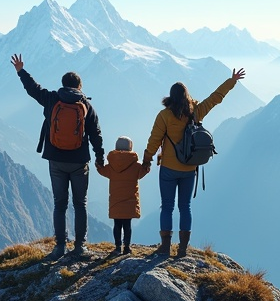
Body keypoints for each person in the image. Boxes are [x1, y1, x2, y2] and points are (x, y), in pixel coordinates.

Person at [142, 68, 246, 257]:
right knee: (185, 207)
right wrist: (232, 81)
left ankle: (165, 247)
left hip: (168, 169)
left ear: (170, 97)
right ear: (187, 96)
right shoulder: (196, 112)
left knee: (167, 206)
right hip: (189, 168)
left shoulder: (164, 116)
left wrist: (147, 160)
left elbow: (154, 140)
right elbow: (216, 98)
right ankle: (182, 249)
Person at [11, 53, 105, 259]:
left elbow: (33, 89)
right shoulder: (87, 106)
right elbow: (96, 134)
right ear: (80, 86)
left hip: (56, 159)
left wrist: (21, 71)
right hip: (80, 161)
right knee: (80, 204)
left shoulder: (52, 99)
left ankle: (60, 246)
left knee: (59, 204)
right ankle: (80, 247)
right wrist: (100, 157)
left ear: (63, 84)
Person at [96, 136, 149, 255]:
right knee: (127, 225)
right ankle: (127, 247)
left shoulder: (112, 166)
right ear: (130, 148)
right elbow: (144, 171)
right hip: (130, 201)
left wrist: (98, 163)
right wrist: (147, 163)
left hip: (116, 201)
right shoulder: (135, 166)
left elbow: (101, 170)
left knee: (117, 225)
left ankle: (117, 247)